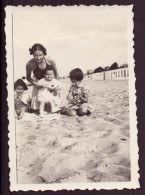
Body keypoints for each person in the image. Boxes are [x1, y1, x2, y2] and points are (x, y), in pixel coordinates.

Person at [26, 43, 59, 112]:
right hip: (38, 82)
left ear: (44, 53)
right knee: (37, 110)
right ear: (32, 54)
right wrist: (36, 84)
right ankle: (31, 103)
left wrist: (55, 86)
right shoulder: (30, 64)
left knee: (53, 108)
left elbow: (56, 74)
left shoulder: (50, 61)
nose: (38, 58)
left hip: (51, 81)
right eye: (35, 55)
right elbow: (28, 77)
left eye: (40, 55)